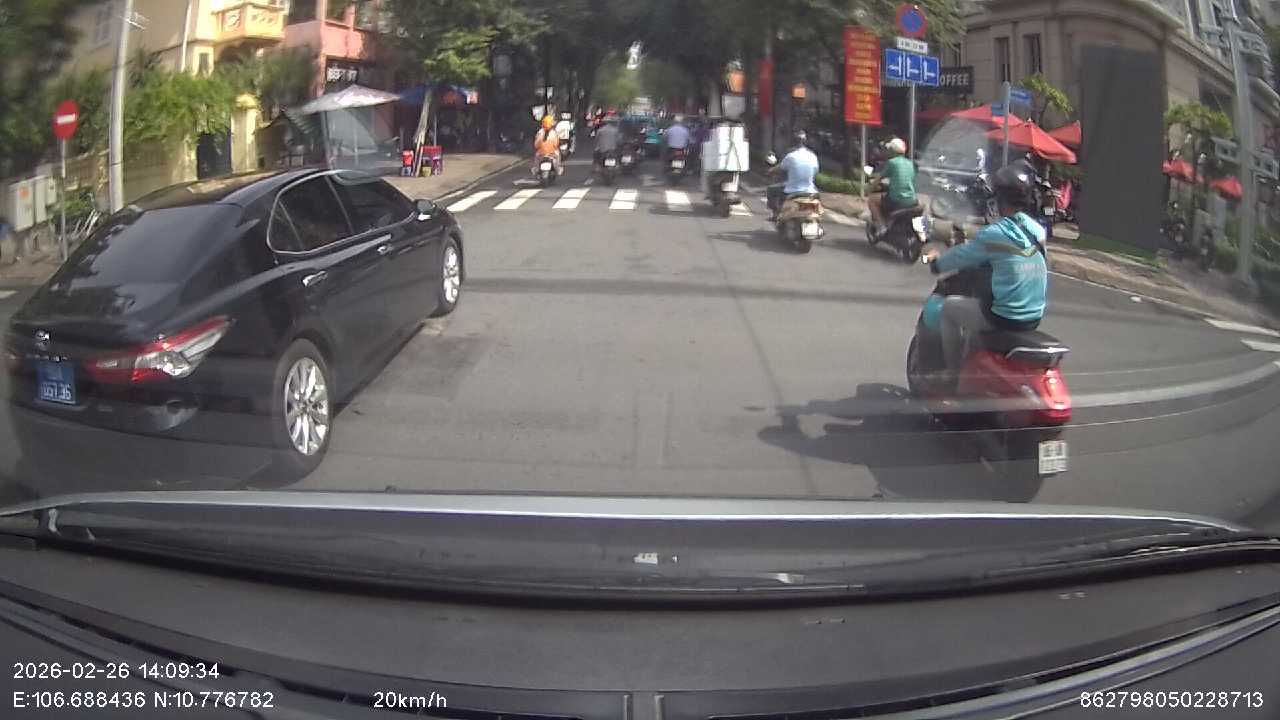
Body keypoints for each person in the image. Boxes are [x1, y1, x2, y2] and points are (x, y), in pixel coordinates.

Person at [922, 164, 1048, 389]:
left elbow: (961, 256)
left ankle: (952, 373)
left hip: (1005, 318)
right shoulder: (1037, 230)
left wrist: (937, 263)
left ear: (999, 198)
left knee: (950, 309)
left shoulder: (994, 234)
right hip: (1034, 316)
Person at [766, 130, 820, 222]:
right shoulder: (813, 156)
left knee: (771, 189)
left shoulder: (791, 155)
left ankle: (776, 215)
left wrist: (770, 171)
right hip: (810, 191)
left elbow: (779, 168)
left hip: (792, 190)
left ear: (793, 142)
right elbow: (815, 172)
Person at [868, 137, 917, 233]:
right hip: (912, 199)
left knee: (872, 200)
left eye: (889, 149)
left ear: (893, 151)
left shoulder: (892, 163)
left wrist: (869, 189)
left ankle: (881, 227)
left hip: (897, 199)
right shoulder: (910, 164)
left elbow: (878, 179)